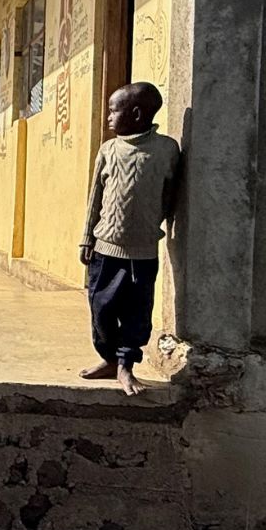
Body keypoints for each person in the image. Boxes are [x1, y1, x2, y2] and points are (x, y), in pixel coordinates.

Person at [79, 82, 180, 396]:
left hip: (141, 252)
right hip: (104, 249)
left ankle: (125, 365)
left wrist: (150, 225)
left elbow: (170, 196)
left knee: (136, 312)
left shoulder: (166, 149)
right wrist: (86, 238)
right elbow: (94, 196)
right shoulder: (108, 150)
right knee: (101, 308)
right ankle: (108, 359)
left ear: (136, 114)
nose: (109, 117)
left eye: (113, 110)